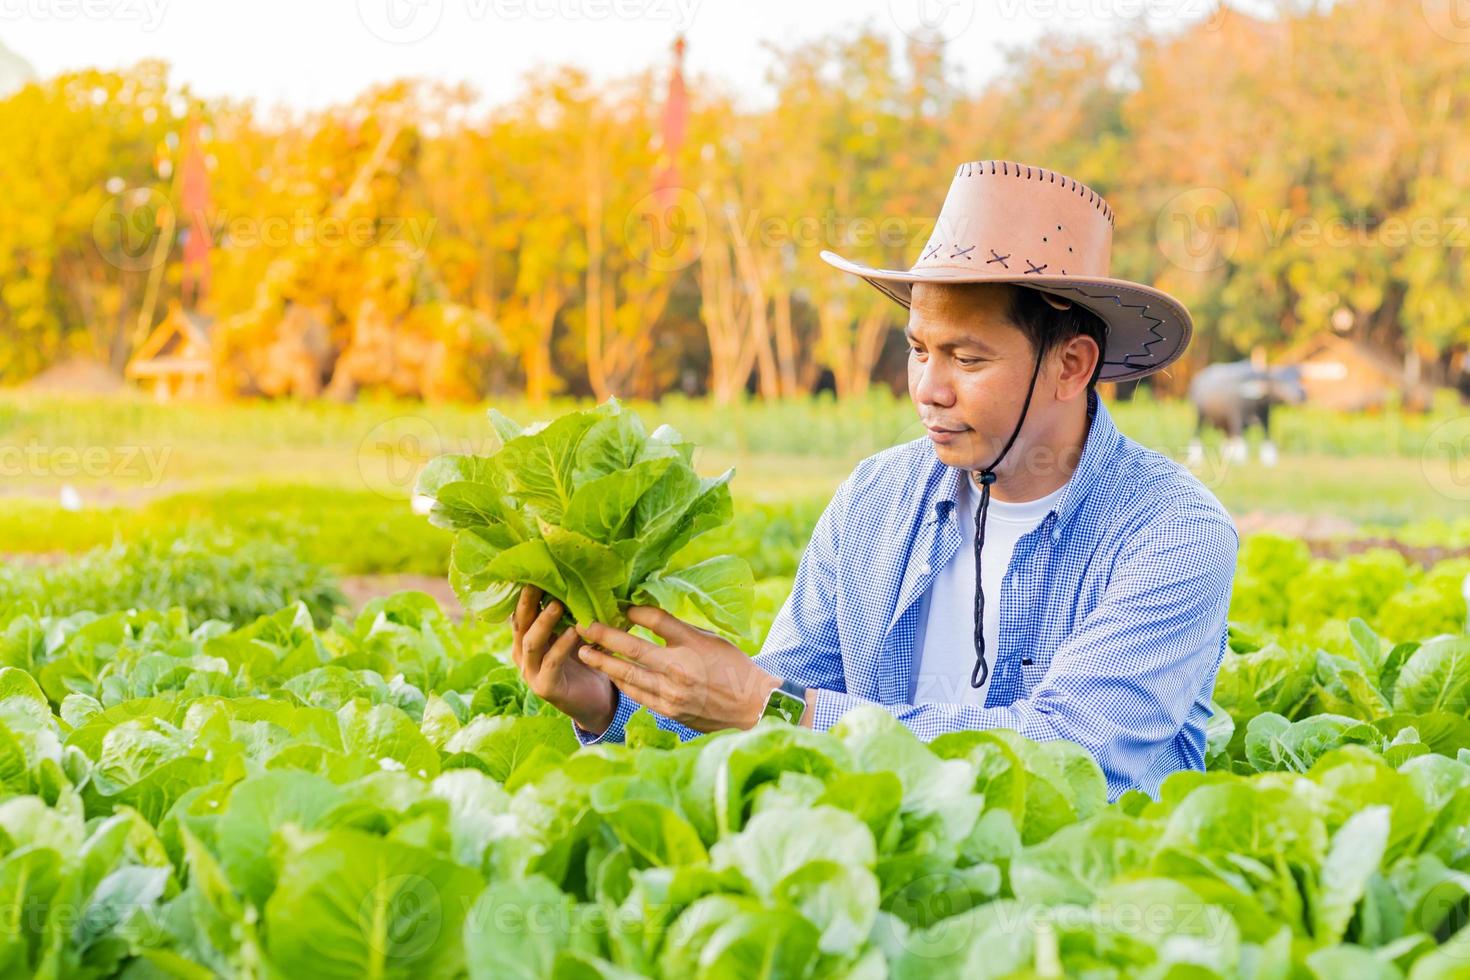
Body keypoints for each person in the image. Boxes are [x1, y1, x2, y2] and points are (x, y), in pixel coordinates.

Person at [510, 159, 1238, 800]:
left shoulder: (1172, 533)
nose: (929, 387)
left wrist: (779, 707)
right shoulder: (876, 499)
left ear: (1071, 366)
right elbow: (771, 706)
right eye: (920, 349)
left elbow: (1070, 761)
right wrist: (605, 705)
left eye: (968, 358)